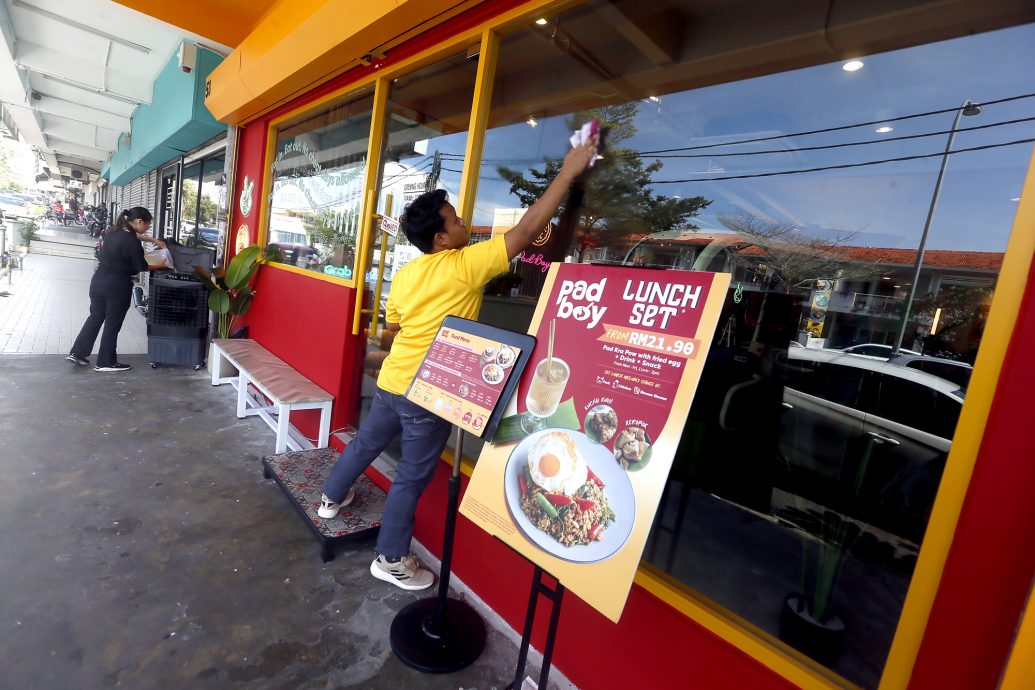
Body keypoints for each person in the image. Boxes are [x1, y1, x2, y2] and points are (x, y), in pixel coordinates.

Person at [318, 135, 599, 590]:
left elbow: (395, 324)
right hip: (428, 392)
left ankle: (331, 499)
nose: (463, 220)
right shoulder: (465, 264)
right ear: (441, 238)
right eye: (455, 219)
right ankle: (390, 559)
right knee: (410, 478)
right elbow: (527, 230)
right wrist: (568, 172)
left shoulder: (406, 273)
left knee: (365, 444)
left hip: (391, 382)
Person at [66, 207, 167, 372]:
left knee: (95, 317)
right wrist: (162, 265)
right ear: (139, 222)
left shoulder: (112, 231)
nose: (148, 228)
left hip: (98, 281)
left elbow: (132, 236)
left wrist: (152, 240)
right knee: (112, 323)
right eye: (148, 224)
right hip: (117, 285)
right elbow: (141, 266)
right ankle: (105, 362)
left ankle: (78, 353)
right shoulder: (132, 241)